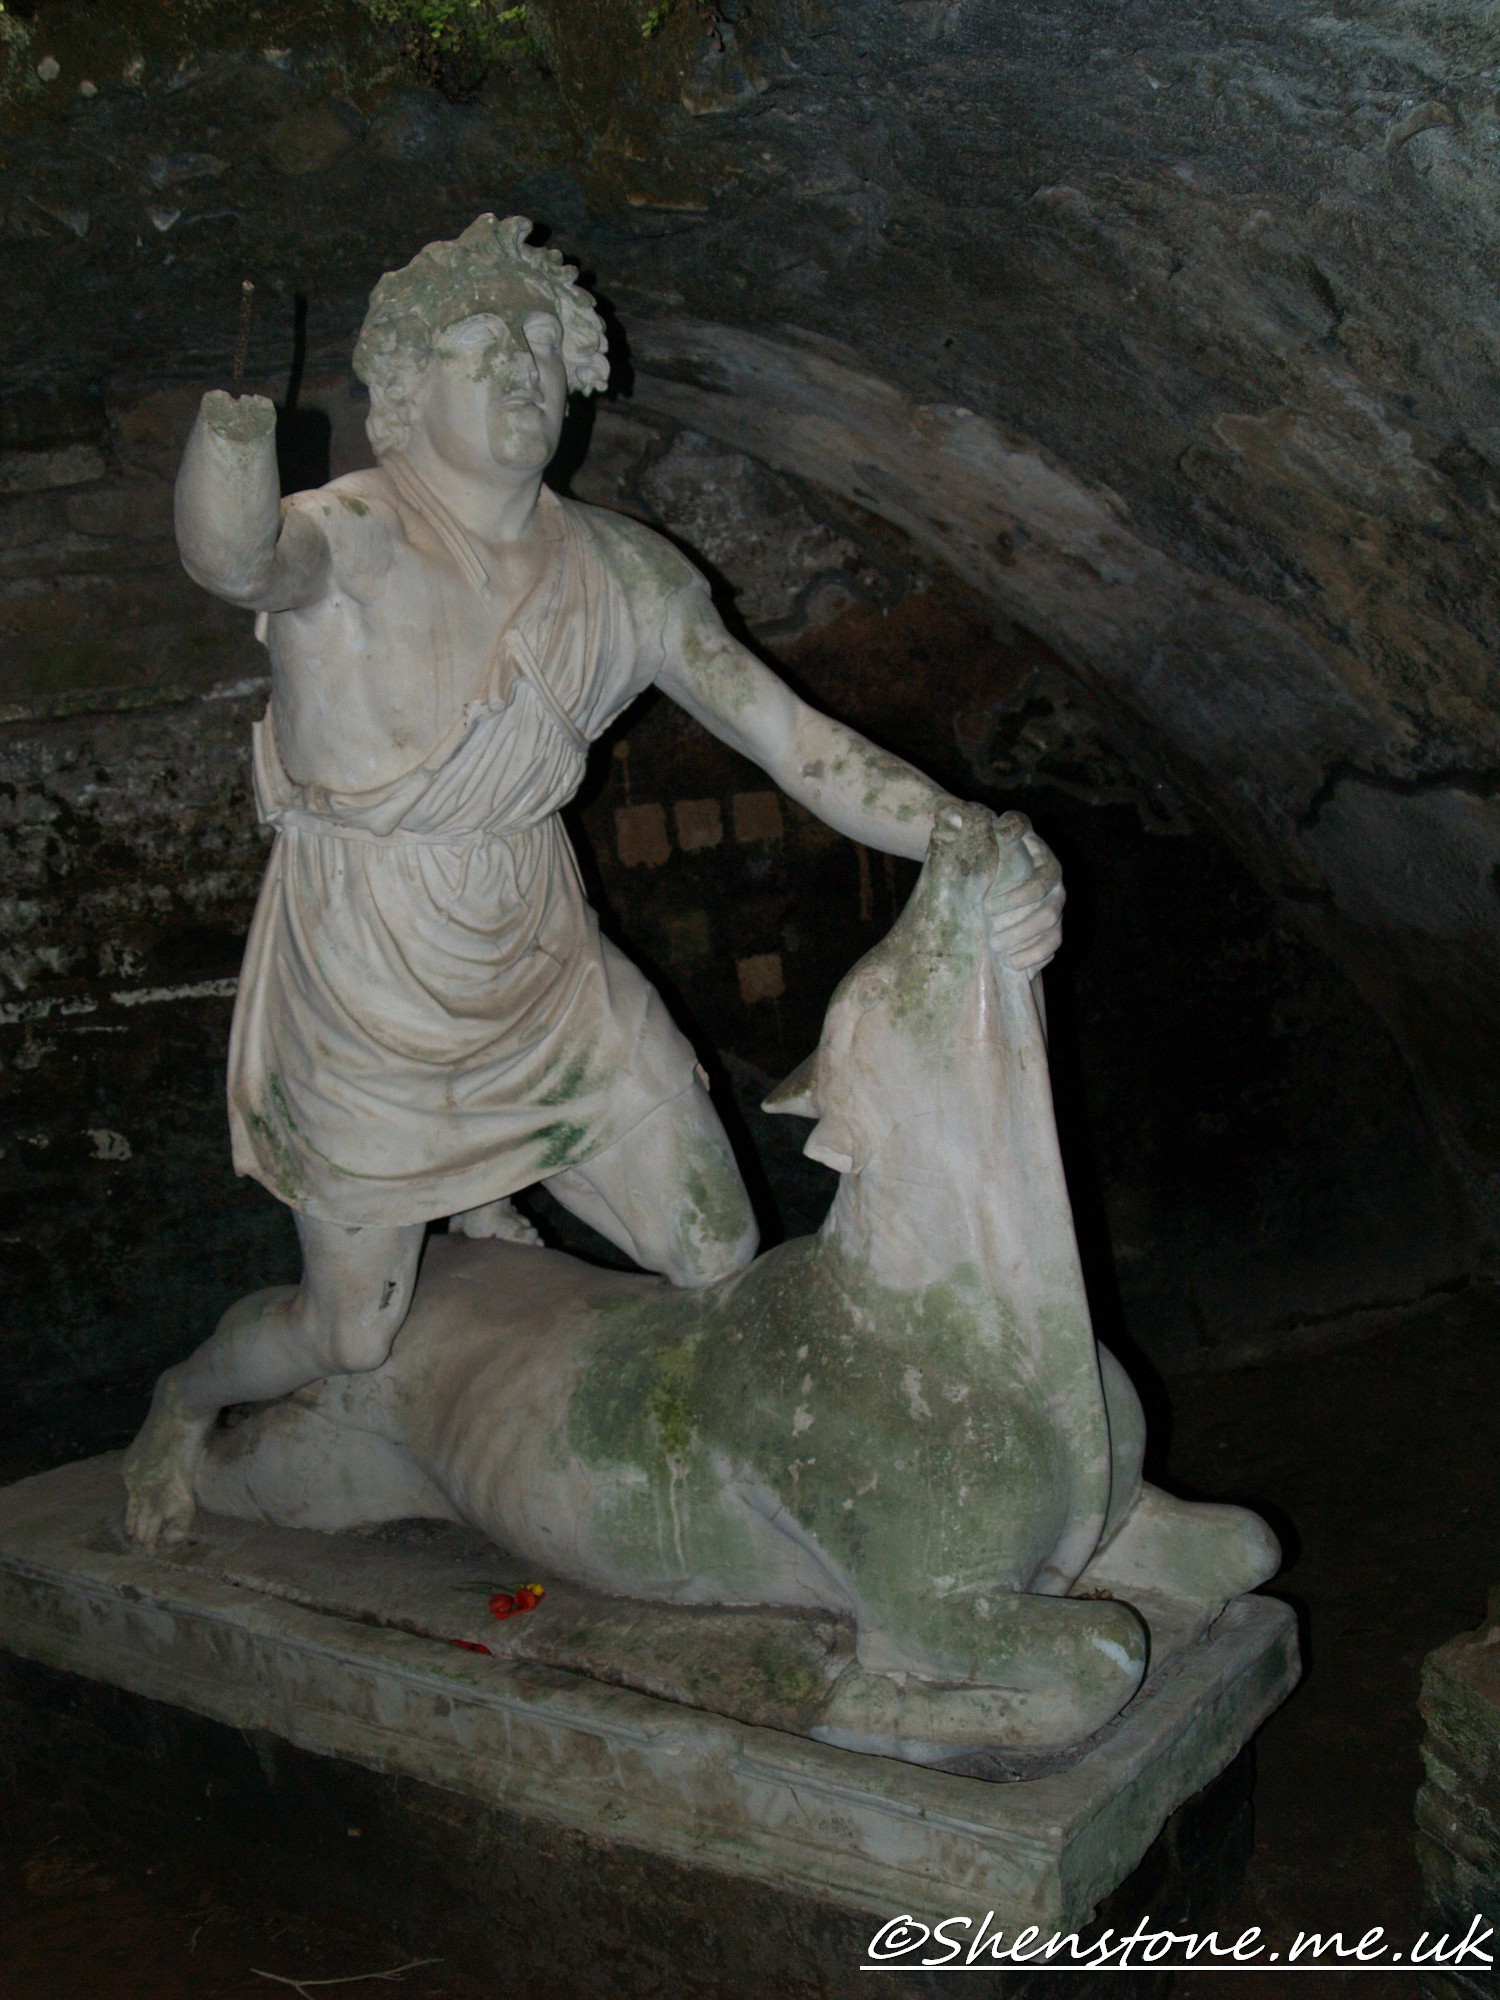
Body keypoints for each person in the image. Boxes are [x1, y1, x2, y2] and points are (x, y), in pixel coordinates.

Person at [123, 215, 1064, 1549]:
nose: (517, 371)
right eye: (476, 346)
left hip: (546, 970)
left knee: (716, 1252)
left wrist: (965, 832)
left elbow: (795, 743)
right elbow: (237, 558)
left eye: (536, 346)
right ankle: (178, 1402)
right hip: (373, 985)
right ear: (405, 388)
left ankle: (663, 1498)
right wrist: (227, 446)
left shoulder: (625, 573)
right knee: (346, 1332)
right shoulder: (351, 540)